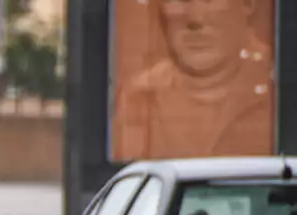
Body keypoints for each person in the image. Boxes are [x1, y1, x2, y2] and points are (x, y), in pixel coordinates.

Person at [111, 0, 273, 161]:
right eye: (180, 0)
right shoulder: (139, 97)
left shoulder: (280, 88)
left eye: (210, 1)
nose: (196, 18)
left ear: (248, 4)